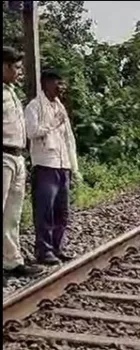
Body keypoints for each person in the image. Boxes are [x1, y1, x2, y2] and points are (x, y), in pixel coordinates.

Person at [26, 69, 82, 265]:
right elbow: (32, 132)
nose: (61, 87)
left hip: (62, 165)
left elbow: (69, 140)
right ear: (47, 84)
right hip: (45, 165)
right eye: (58, 83)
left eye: (62, 83)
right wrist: (51, 124)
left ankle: (57, 247)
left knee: (62, 210)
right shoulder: (34, 107)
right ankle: (44, 250)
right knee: (45, 210)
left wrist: (73, 167)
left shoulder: (60, 108)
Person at [3, 47, 44, 286]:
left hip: (17, 157)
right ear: (5, 66)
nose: (19, 72)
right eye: (16, 67)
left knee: (12, 214)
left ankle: (11, 261)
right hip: (4, 154)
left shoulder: (10, 92)